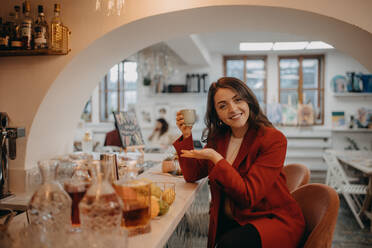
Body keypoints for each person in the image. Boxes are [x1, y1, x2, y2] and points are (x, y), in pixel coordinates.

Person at [173, 77, 305, 248]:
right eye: (222, 105)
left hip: (271, 220)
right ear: (217, 113)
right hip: (235, 218)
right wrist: (186, 135)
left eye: (237, 100)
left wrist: (216, 159)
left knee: (227, 245)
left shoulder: (272, 139)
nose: (232, 109)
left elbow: (248, 196)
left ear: (248, 100)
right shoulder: (219, 138)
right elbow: (192, 175)